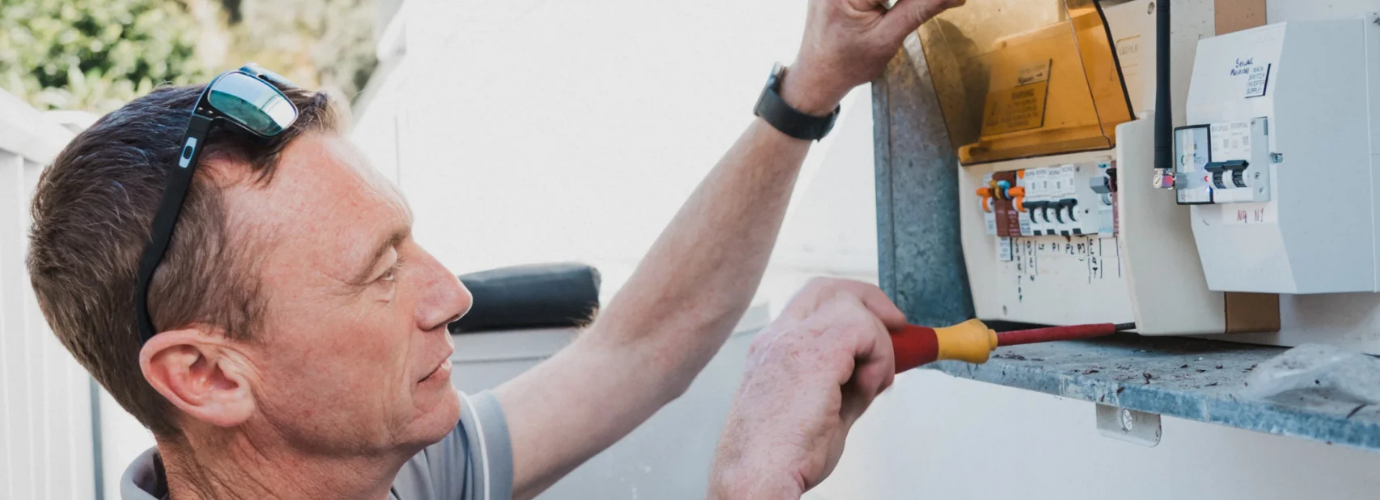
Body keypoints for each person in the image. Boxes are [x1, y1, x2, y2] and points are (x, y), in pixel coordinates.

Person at [26, 0, 962, 498]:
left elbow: (635, 348)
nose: (450, 296)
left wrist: (806, 93)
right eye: (380, 273)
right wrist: (752, 485)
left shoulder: (391, 470)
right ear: (207, 375)